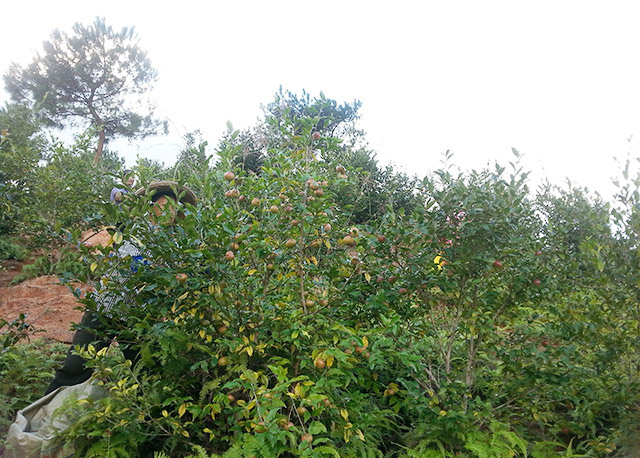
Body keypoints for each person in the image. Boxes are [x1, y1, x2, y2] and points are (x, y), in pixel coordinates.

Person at [45, 181, 197, 395]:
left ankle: (149, 421)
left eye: (174, 208)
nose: (168, 212)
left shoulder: (176, 242)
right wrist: (122, 195)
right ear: (151, 205)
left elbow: (183, 275)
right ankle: (41, 416)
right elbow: (116, 195)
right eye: (164, 205)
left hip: (138, 318)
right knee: (76, 367)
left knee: (147, 373)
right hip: (105, 307)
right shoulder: (131, 227)